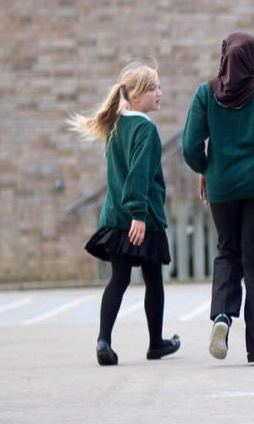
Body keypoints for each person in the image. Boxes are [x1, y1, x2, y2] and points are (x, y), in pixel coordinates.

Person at [181, 32, 254, 366]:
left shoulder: (205, 93)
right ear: (253, 59)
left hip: (222, 189)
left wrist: (206, 168)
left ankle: (222, 316)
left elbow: (189, 148)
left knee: (228, 251)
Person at [69, 60, 181, 366]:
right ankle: (156, 344)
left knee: (118, 279)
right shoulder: (145, 129)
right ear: (136, 95)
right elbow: (138, 173)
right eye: (154, 88)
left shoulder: (116, 126)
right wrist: (139, 214)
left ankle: (103, 340)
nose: (161, 92)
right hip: (140, 217)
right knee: (153, 280)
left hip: (115, 217)